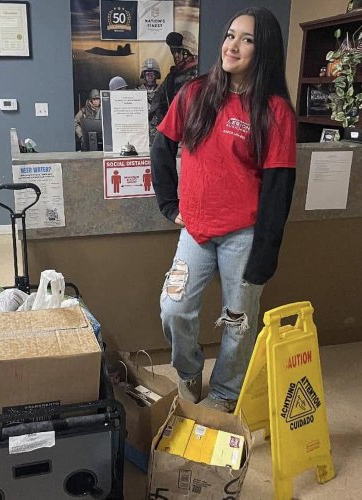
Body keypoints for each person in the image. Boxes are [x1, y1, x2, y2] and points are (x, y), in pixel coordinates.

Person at [150, 7, 296, 413]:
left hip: (244, 234)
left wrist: (266, 251)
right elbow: (161, 145)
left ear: (263, 48)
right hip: (195, 231)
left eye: (246, 39)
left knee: (238, 321)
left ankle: (226, 393)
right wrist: (169, 204)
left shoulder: (274, 111)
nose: (232, 45)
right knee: (174, 309)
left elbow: (279, 187)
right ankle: (189, 369)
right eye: (230, 35)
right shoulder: (195, 93)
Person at [149, 30, 198, 135]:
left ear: (189, 52)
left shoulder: (199, 76)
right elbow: (157, 103)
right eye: (173, 51)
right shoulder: (172, 76)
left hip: (192, 133)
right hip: (173, 132)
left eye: (179, 51)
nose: (176, 55)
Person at [137, 58, 162, 144]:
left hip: (159, 134)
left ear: (157, 75)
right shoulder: (136, 93)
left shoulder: (163, 92)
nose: (150, 76)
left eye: (152, 74)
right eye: (147, 74)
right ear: (143, 76)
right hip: (141, 135)